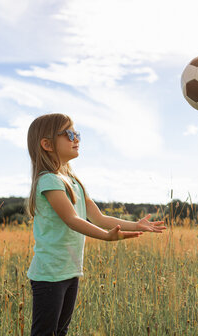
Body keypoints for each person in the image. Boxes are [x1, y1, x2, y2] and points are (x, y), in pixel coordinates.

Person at [26, 113, 166, 336]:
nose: (76, 139)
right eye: (69, 134)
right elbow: (72, 219)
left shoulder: (74, 182)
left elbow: (99, 218)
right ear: (47, 144)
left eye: (77, 133)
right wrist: (105, 236)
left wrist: (135, 225)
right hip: (49, 274)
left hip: (70, 271)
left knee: (61, 331)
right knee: (44, 333)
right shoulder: (49, 180)